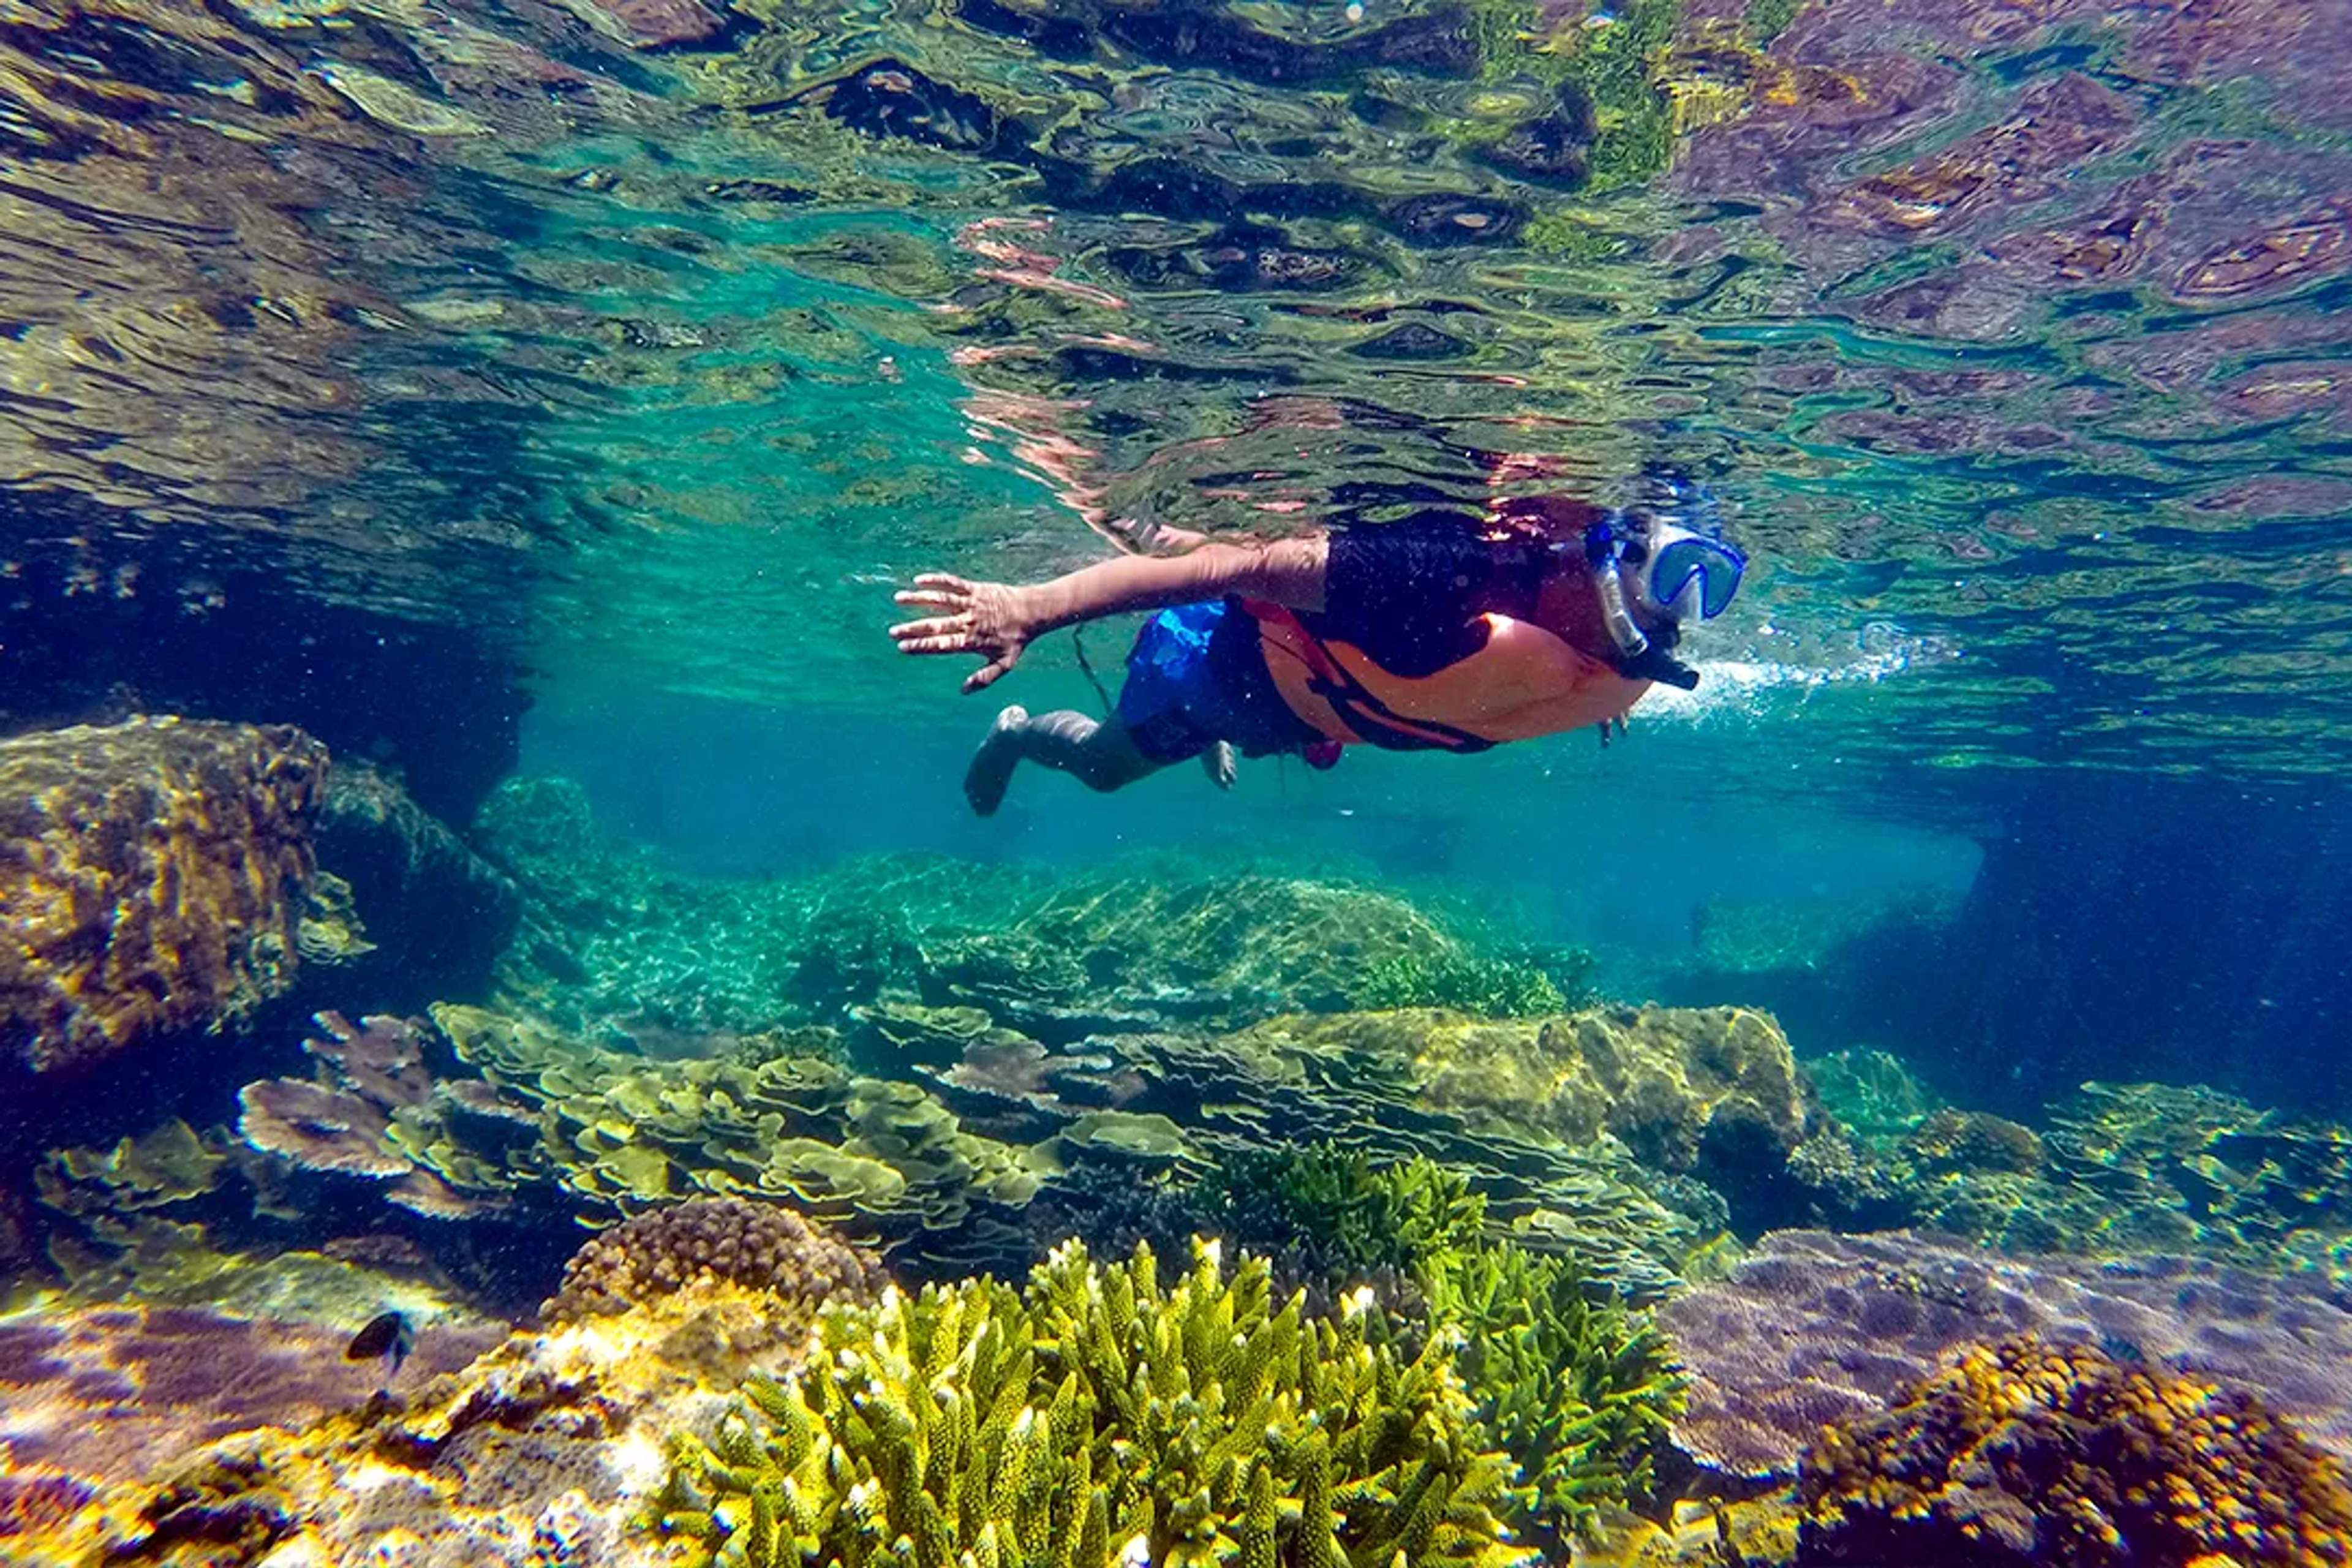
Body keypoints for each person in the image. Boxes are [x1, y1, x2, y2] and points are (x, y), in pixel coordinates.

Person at [888, 483, 1747, 816]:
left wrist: (1587, 694)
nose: (1671, 631)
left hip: (1313, 706)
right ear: (1589, 561)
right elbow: (1228, 563)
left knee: (1298, 732)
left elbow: (1548, 676)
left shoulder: (1607, 660)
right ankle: (1011, 734)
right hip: (1219, 668)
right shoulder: (1436, 574)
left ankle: (1239, 738)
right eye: (1664, 591)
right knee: (1105, 769)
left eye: (1691, 610)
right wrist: (1033, 606)